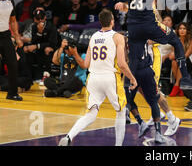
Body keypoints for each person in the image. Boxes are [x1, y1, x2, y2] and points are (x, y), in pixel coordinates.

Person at [58, 9, 137, 146]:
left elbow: (85, 64)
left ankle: (69, 137)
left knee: (91, 114)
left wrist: (75, 54)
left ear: (100, 22)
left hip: (93, 78)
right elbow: (122, 64)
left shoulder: (93, 36)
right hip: (110, 77)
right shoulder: (118, 37)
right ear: (112, 21)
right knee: (121, 111)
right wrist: (132, 78)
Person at [0, 0, 24, 100]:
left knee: (13, 63)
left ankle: (12, 93)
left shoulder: (10, 2)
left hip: (5, 36)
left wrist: (17, 37)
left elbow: (13, 21)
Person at [169, 22, 192, 96]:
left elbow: (186, 55)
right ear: (177, 30)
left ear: (187, 30)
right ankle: (180, 86)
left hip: (188, 63)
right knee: (174, 62)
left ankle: (176, 85)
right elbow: (171, 56)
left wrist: (177, 56)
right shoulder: (175, 40)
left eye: (184, 28)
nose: (182, 30)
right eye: (180, 28)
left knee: (180, 61)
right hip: (178, 62)